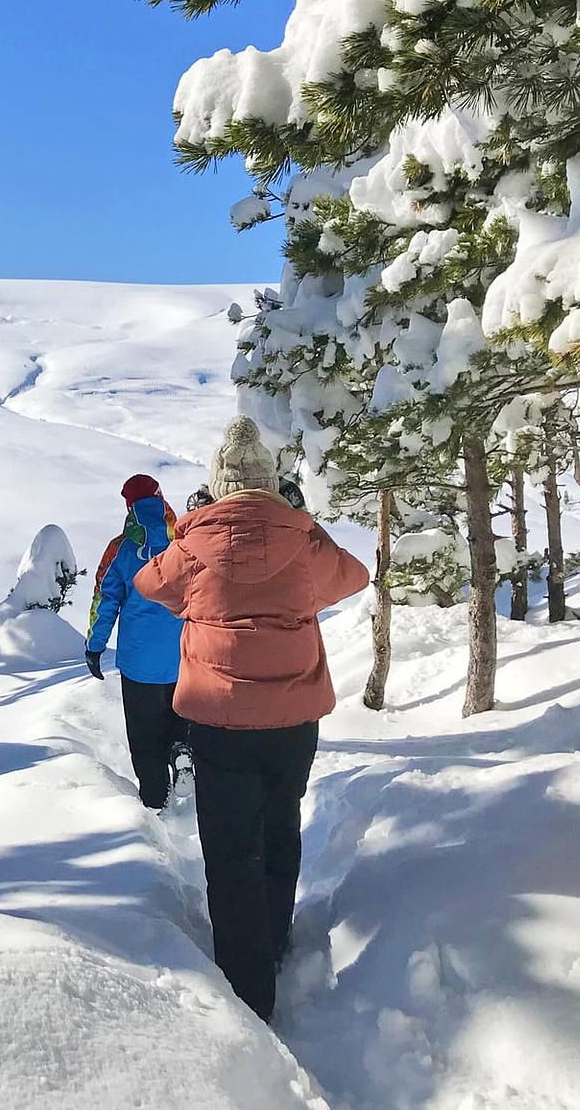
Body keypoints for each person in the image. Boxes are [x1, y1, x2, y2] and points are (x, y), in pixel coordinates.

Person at [135, 418, 369, 1022]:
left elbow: (148, 583)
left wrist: (189, 525)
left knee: (230, 844)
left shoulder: (194, 543)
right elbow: (354, 576)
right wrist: (303, 523)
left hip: (217, 720)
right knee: (279, 822)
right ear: (271, 483)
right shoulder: (301, 539)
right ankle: (276, 940)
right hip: (293, 718)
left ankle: (246, 986)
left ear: (217, 485)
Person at [85, 474, 187, 811]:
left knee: (144, 735)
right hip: (184, 655)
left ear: (129, 505)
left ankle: (155, 800)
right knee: (179, 717)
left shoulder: (121, 549)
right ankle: (183, 752)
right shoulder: (185, 539)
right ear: (161, 497)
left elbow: (105, 600)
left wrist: (95, 646)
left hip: (138, 663)